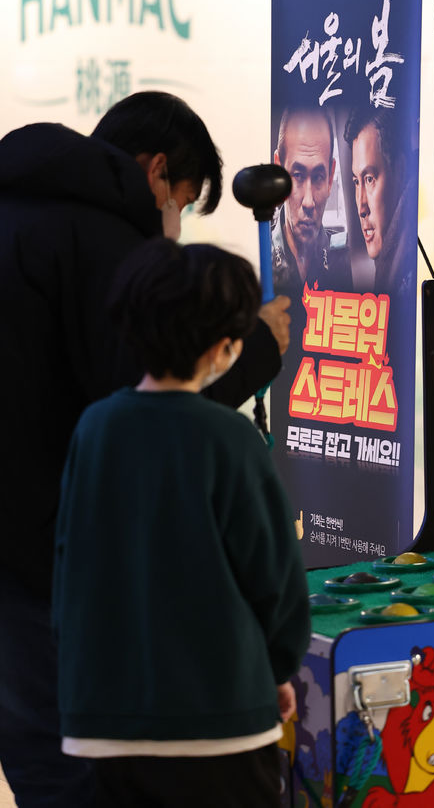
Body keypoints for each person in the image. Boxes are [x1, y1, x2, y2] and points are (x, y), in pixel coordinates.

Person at [0, 91, 290, 807]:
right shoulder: (102, 239)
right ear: (156, 171)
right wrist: (254, 353)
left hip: (15, 551)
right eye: (183, 202)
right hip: (47, 565)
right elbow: (153, 410)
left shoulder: (18, 209)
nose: (174, 225)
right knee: (84, 774)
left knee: (41, 763)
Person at [52, 238, 310, 808]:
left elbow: (69, 567)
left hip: (106, 719)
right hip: (221, 718)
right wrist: (277, 668)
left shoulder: (95, 428)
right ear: (223, 348)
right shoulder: (230, 437)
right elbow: (275, 577)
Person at [272, 103, 351, 294]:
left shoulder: (344, 262)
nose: (308, 202)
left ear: (330, 178)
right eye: (298, 175)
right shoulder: (258, 257)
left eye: (318, 177)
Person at [344, 106, 415, 295]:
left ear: (401, 171)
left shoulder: (410, 273)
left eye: (369, 179)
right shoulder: (392, 267)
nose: (361, 208)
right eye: (356, 182)